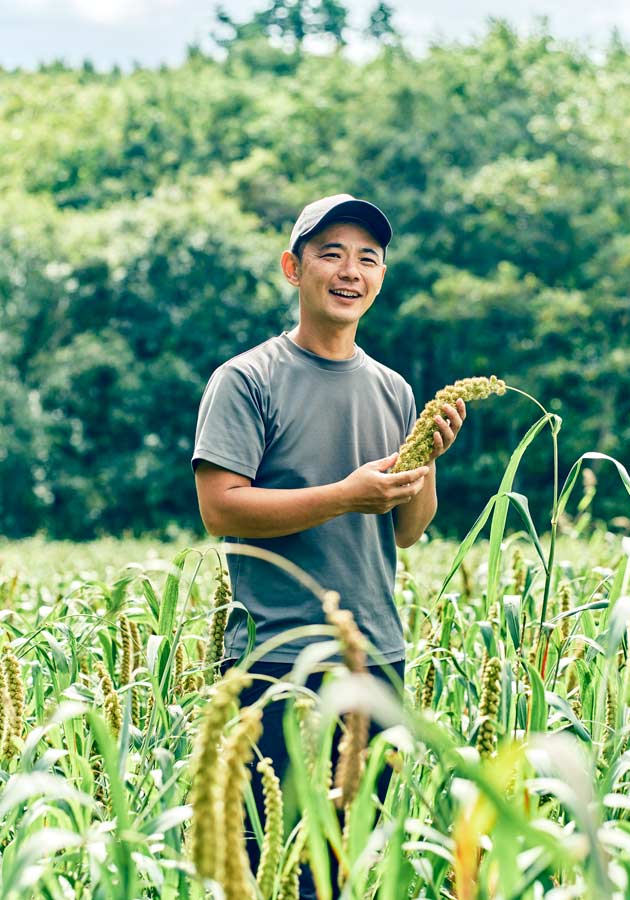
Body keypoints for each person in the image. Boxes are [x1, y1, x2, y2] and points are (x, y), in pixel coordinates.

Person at [192, 193, 465, 897]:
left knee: (347, 870)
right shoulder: (246, 380)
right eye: (331, 253)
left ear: (381, 277)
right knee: (271, 867)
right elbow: (221, 508)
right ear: (294, 268)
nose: (351, 271)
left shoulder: (394, 388)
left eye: (368, 258)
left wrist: (425, 462)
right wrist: (346, 493)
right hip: (278, 661)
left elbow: (404, 529)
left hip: (378, 660)